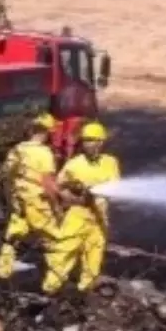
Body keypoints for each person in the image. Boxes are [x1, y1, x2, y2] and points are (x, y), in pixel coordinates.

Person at [43, 121, 121, 294]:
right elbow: (58, 187)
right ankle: (49, 290)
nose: (89, 144)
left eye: (93, 140)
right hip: (78, 215)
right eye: (86, 140)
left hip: (99, 217)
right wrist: (74, 197)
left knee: (94, 256)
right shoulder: (74, 164)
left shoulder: (111, 163)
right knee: (63, 252)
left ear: (101, 142)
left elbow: (116, 187)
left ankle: (85, 293)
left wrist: (99, 191)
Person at [0, 112, 61, 280]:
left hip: (19, 203)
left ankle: (2, 273)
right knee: (53, 240)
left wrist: (11, 199)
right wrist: (57, 208)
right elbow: (48, 185)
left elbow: (5, 176)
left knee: (12, 238)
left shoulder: (17, 149)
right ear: (47, 132)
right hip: (38, 204)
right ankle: (57, 279)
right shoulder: (44, 153)